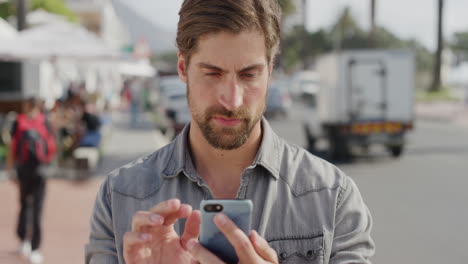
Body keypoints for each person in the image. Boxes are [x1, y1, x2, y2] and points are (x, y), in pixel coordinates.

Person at [85, 0, 375, 263]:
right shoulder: (120, 197)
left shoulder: (332, 197)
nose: (232, 100)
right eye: (213, 73)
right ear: (183, 68)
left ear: (270, 70)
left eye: (249, 75)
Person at [6, 97, 56, 264]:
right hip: (40, 172)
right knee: (37, 210)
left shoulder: (18, 122)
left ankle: (23, 241)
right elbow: (52, 147)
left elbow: (12, 147)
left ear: (26, 106)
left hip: (23, 171)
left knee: (24, 205)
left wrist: (10, 169)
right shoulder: (45, 122)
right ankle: (35, 248)